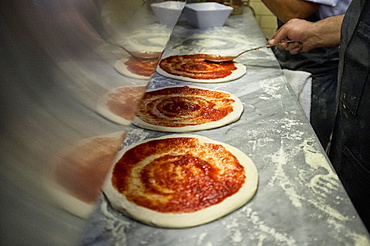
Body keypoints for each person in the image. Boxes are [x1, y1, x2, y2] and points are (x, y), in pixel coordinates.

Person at [267, 0, 370, 232]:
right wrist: (314, 32)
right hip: (355, 78)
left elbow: (295, 10)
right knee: (341, 188)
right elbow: (361, 21)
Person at [261, 0, 351, 149]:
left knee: (303, 147)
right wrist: (314, 31)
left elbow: (295, 11)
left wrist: (315, 31)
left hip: (318, 66)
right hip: (310, 46)